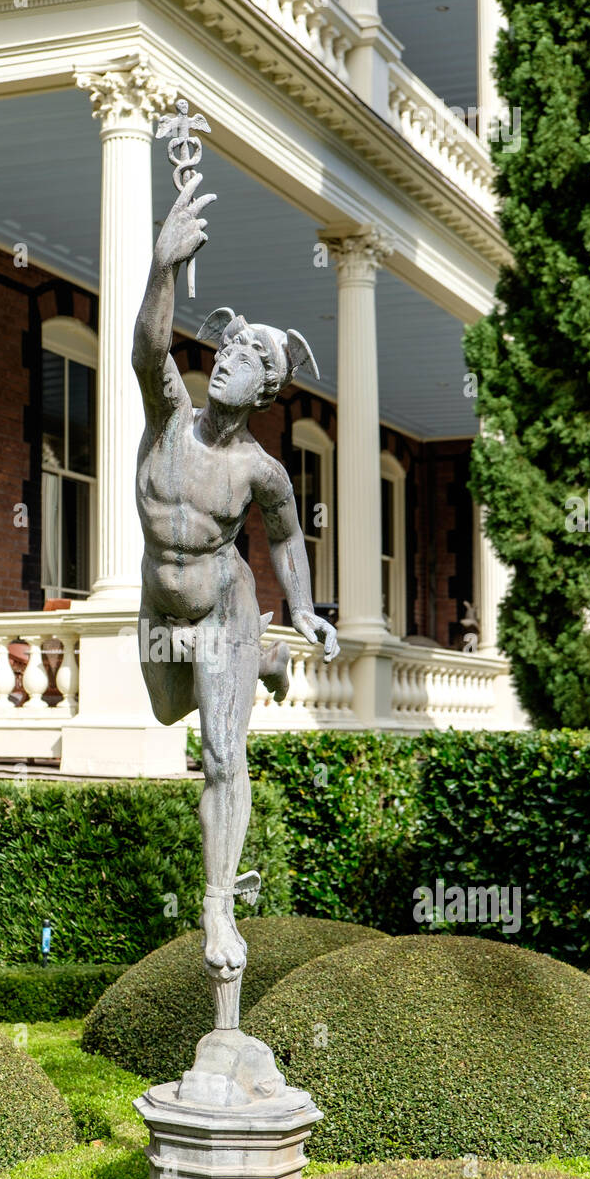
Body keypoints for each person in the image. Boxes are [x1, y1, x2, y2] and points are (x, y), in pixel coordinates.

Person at [132, 172, 340, 983]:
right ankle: (261, 664)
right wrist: (164, 268)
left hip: (223, 604)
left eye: (250, 359)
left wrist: (308, 609)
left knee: (221, 753)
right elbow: (149, 347)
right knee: (163, 710)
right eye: (227, 349)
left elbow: (286, 540)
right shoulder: (169, 417)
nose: (228, 363)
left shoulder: (261, 471)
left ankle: (218, 902)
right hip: (159, 610)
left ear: (268, 389)